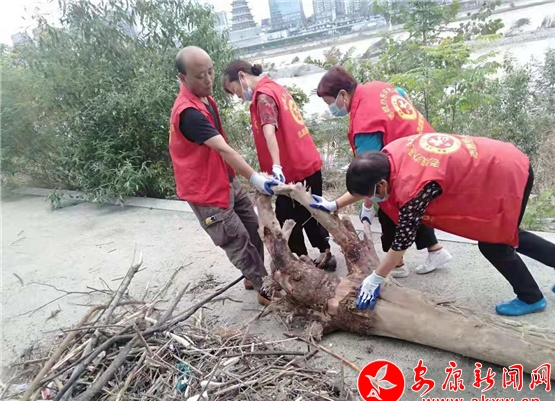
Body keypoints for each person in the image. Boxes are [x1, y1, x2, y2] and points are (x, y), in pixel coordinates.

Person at [313, 132, 555, 316]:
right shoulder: (388, 156)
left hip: (505, 174)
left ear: (382, 184)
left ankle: (531, 298)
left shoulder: (414, 187)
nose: (371, 200)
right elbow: (367, 187)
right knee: (504, 234)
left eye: (371, 195)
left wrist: (376, 277)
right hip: (500, 160)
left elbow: (401, 244)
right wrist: (334, 204)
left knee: (495, 243)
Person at [314, 65, 451, 278]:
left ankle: (397, 266)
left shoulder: (365, 123)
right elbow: (402, 94)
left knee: (388, 209)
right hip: (428, 149)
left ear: (342, 95)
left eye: (330, 103)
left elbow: (369, 178)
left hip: (411, 164)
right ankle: (435, 250)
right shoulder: (376, 87)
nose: (331, 108)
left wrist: (358, 205)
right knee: (415, 206)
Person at [169, 46, 279, 305]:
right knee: (236, 240)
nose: (208, 80)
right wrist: (255, 178)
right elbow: (223, 149)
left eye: (210, 72)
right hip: (205, 190)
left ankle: (253, 276)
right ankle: (265, 289)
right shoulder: (188, 113)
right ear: (183, 78)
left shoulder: (207, 101)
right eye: (200, 76)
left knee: (253, 228)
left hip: (223, 179)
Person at [221, 59, 336, 271]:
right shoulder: (275, 88)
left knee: (288, 217)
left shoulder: (263, 96)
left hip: (292, 169)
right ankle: (323, 252)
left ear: (242, 76)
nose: (237, 96)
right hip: (306, 160)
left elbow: (269, 130)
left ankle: (302, 260)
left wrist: (276, 167)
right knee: (312, 210)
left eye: (233, 89)